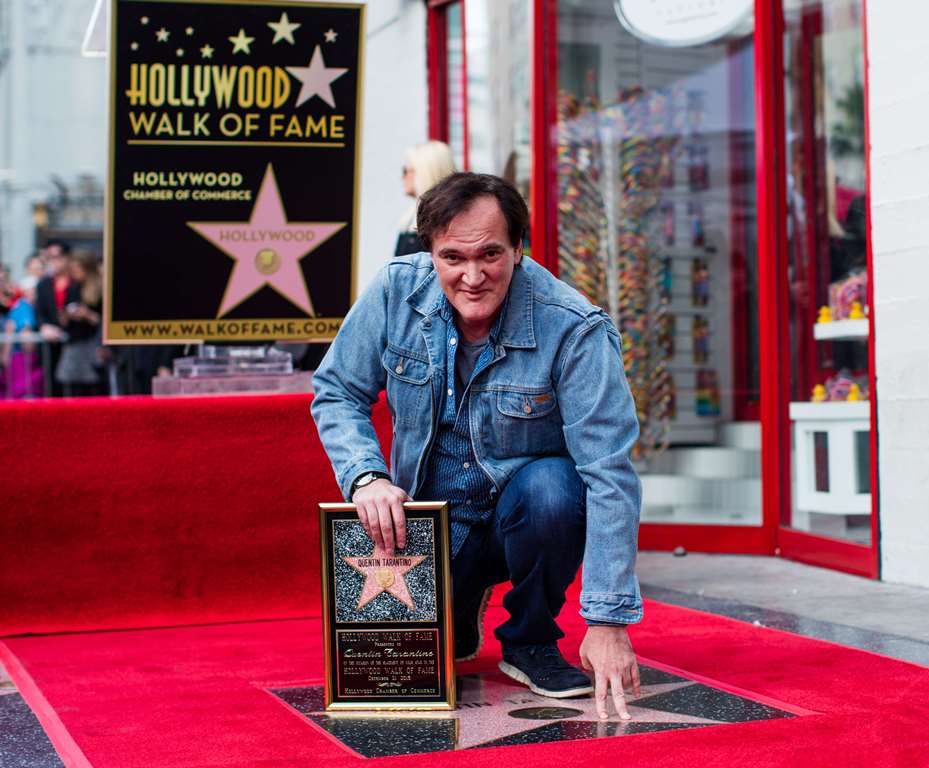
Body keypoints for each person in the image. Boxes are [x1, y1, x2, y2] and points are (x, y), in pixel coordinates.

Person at [312, 173, 642, 720]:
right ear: (431, 254)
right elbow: (336, 391)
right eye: (452, 257)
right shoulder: (396, 291)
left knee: (556, 490)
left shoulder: (575, 328)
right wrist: (366, 477)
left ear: (519, 247)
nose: (472, 276)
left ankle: (530, 637)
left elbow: (610, 473)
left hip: (525, 516)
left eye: (490, 253)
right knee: (405, 655)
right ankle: (458, 603)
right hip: (430, 525)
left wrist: (608, 623)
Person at [395, 140, 456, 257]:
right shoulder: (410, 218)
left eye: (405, 170)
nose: (402, 177)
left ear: (424, 172)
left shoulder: (443, 222)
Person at [55, 250, 103, 396]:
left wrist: (87, 315)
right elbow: (64, 315)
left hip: (92, 343)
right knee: (72, 388)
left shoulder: (99, 289)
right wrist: (65, 315)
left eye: (78, 269)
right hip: (74, 342)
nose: (75, 273)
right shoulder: (73, 288)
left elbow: (101, 320)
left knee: (93, 387)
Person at [1, 275, 43, 399]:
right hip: (21, 363)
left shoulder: (19, 307)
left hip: (17, 363)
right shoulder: (24, 308)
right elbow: (27, 340)